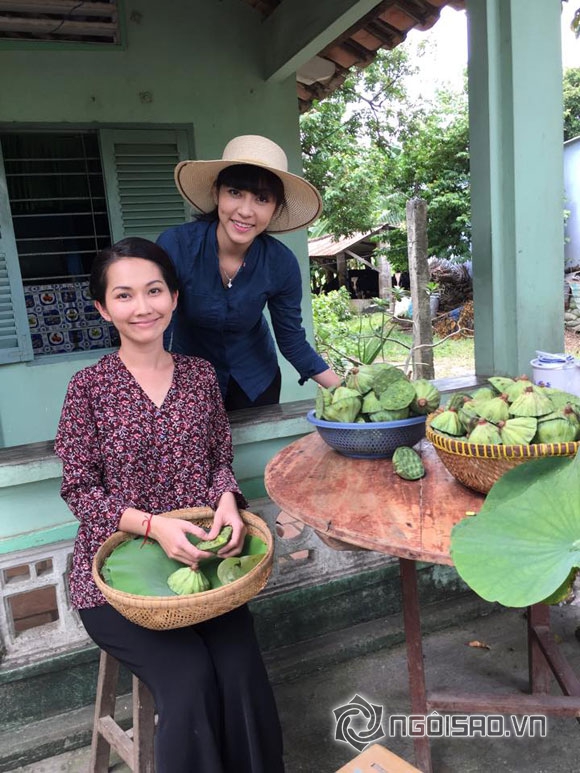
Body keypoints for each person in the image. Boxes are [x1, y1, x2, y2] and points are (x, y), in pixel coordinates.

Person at [54, 237, 284, 773]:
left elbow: (218, 460)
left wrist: (225, 499)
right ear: (103, 308)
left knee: (240, 672)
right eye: (125, 295)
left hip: (201, 569)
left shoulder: (201, 377)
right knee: (189, 680)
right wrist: (154, 527)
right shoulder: (87, 389)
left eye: (154, 291)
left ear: (174, 298)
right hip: (114, 581)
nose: (143, 307)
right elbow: (80, 491)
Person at [157, 134, 342, 411]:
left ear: (275, 208)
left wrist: (346, 391)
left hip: (256, 379)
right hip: (189, 384)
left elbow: (292, 341)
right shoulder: (176, 247)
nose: (245, 211)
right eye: (235, 193)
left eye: (262, 199)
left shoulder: (281, 263)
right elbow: (158, 325)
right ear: (216, 193)